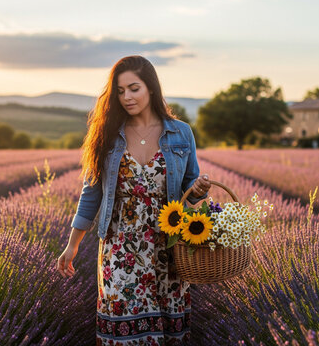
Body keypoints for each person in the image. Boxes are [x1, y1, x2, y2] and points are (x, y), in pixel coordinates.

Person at [56, 55, 211, 345]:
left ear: (151, 88)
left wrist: (199, 188)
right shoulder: (106, 135)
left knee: (168, 331)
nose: (127, 96)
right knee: (124, 331)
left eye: (134, 88)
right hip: (120, 251)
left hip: (169, 249)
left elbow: (191, 185)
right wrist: (71, 245)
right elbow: (91, 193)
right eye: (120, 90)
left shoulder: (181, 133)